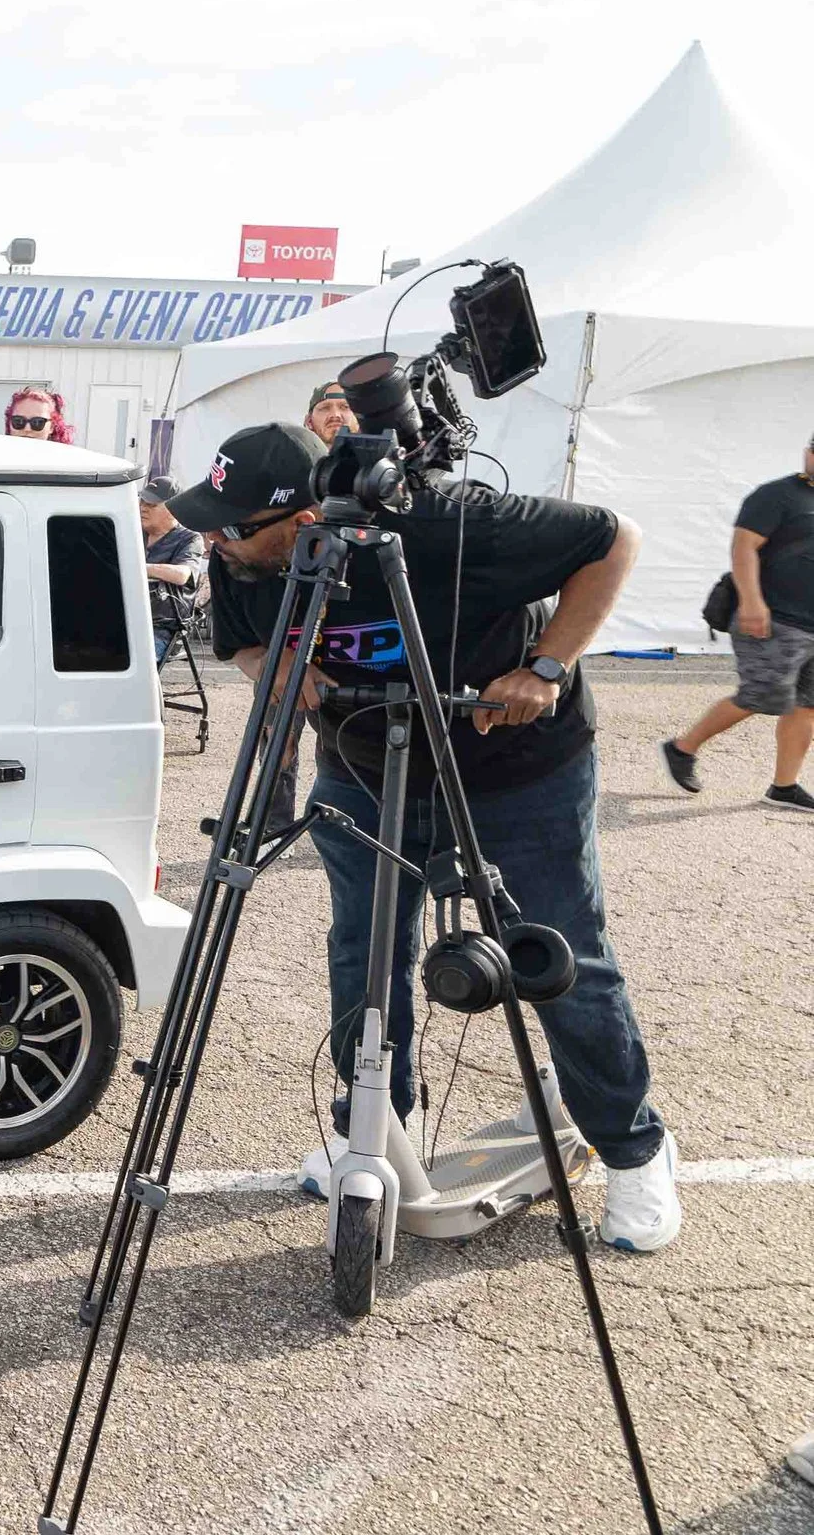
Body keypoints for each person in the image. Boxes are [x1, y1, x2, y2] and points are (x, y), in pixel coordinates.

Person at [167, 420, 681, 1252]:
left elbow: (614, 539)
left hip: (518, 768)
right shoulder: (245, 555)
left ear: (304, 519)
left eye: (233, 525)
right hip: (367, 766)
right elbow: (247, 644)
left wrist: (547, 665)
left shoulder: (442, 523)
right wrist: (279, 670)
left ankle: (634, 1147)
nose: (214, 540)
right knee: (363, 950)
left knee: (561, 957)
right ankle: (377, 1125)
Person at [662, 432, 814, 810]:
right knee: (760, 696)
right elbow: (743, 547)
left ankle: (783, 786)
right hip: (772, 618)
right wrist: (751, 602)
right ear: (808, 452)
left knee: (808, 706)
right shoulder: (777, 495)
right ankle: (682, 748)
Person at [138, 477, 205, 666]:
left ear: (173, 509)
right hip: (122, 619)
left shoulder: (189, 539)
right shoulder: (132, 531)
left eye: (152, 504)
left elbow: (182, 574)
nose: (143, 507)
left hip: (161, 627)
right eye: (142, 501)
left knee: (136, 664)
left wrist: (138, 569)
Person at [5, 385, 75, 443]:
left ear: (52, 427)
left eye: (37, 422)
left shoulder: (65, 458)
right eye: (18, 421)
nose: (27, 429)